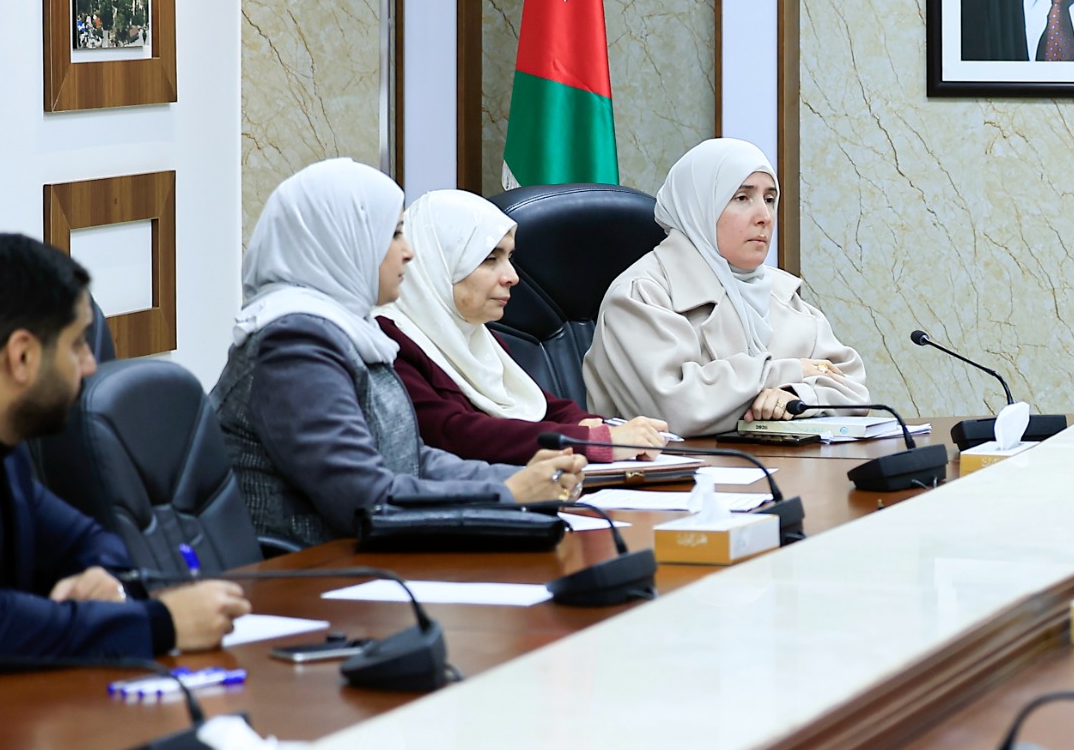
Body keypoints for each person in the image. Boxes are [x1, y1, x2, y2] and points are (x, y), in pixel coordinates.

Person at [0, 234, 248, 658]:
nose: (90, 364)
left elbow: (92, 542)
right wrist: (163, 624)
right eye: (77, 343)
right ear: (22, 356)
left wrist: (107, 581)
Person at [213, 160, 586, 547]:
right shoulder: (295, 347)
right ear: (342, 242)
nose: (408, 252)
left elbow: (409, 458)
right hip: (311, 571)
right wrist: (508, 493)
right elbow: (363, 498)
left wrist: (515, 479)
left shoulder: (347, 331)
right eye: (393, 234)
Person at [585, 139, 868, 436]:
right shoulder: (641, 293)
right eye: (742, 198)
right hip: (667, 465)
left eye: (770, 199)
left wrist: (795, 396)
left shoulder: (780, 293)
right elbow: (677, 409)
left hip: (768, 462)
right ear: (699, 206)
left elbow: (853, 389)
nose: (764, 217)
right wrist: (788, 372)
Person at [376, 189, 671, 464]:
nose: (512, 277)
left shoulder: (479, 336)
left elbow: (541, 405)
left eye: (510, 257)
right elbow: (451, 434)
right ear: (438, 262)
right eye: (490, 259)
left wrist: (588, 425)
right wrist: (593, 441)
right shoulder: (390, 340)